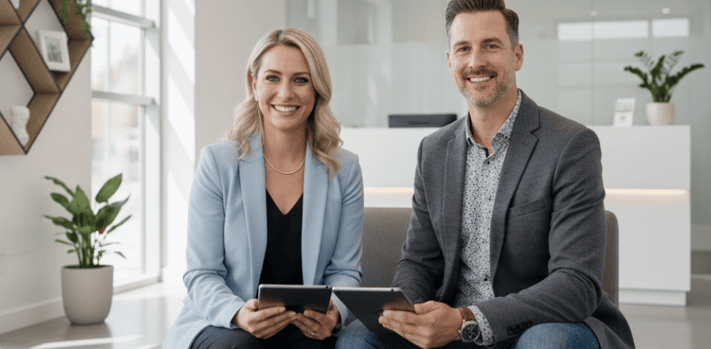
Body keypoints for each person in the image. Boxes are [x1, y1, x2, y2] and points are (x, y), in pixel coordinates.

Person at [337, 0, 635, 348]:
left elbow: (575, 283)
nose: (476, 61)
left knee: (547, 342)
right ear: (450, 61)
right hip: (451, 326)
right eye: (463, 48)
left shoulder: (570, 145)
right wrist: (410, 313)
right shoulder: (433, 151)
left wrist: (468, 320)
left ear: (517, 56)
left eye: (491, 45)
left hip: (540, 325)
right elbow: (420, 261)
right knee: (359, 337)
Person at [162, 28, 364, 349]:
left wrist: (334, 314)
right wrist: (237, 314)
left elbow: (344, 271)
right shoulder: (218, 162)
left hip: (305, 328)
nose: (285, 93)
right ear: (253, 85)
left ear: (317, 90)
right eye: (272, 78)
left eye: (300, 80)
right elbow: (202, 273)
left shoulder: (344, 169)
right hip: (225, 322)